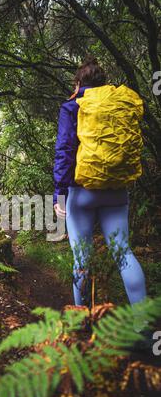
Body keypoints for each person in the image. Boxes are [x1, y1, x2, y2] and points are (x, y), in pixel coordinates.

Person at [53, 56, 147, 309]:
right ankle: (144, 327)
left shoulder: (74, 106)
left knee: (82, 260)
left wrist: (58, 193)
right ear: (103, 82)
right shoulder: (119, 104)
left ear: (78, 84)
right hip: (116, 191)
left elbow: (64, 149)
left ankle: (82, 322)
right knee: (123, 253)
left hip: (81, 192)